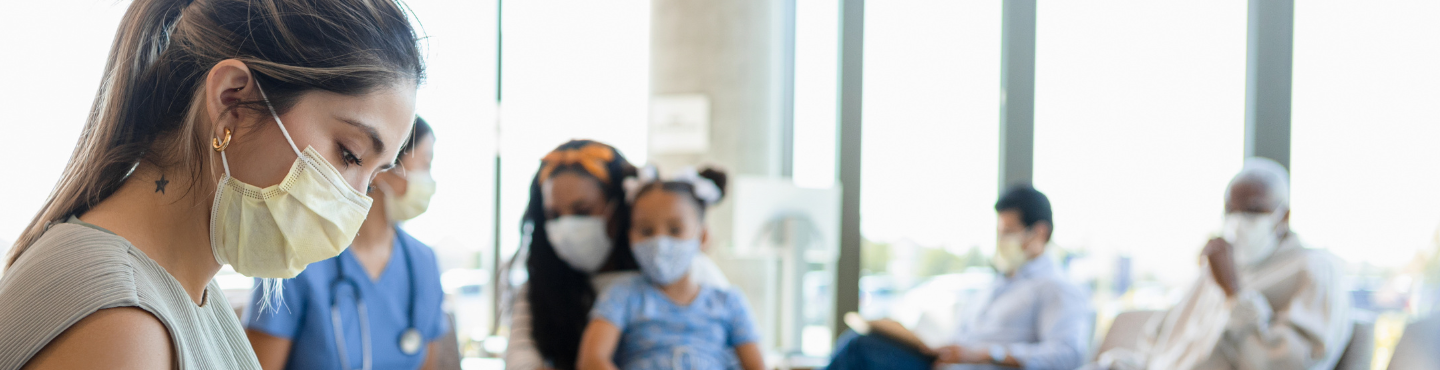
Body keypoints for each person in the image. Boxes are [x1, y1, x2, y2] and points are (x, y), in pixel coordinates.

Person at [0, 0, 423, 368]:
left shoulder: (191, 290)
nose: (353, 200)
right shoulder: (123, 322)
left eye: (373, 177)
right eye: (349, 154)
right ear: (232, 100)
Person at [1088, 157, 1352, 370]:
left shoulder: (1314, 269)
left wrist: (1234, 294)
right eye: (1231, 211)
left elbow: (1292, 364)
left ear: (1283, 217)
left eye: (1253, 210)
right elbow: (1161, 355)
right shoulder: (1218, 268)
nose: (1238, 221)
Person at [244, 117, 449, 370]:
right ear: (383, 168)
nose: (429, 181)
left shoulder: (423, 262)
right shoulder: (295, 254)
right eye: (426, 164)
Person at [505, 141, 729, 370]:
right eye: (554, 215)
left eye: (582, 211)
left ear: (619, 210)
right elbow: (525, 360)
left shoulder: (691, 276)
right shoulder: (548, 291)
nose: (567, 226)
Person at [825, 184, 1092, 370]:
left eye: (1009, 232)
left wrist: (987, 354)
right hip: (949, 365)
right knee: (865, 340)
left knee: (859, 348)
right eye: (1000, 232)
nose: (1001, 241)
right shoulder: (1001, 282)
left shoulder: (1056, 287)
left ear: (1040, 232)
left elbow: (1068, 355)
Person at [577, 167, 764, 370]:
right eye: (646, 231)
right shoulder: (622, 295)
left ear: (703, 236)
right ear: (631, 237)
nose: (660, 241)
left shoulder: (730, 303)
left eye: (675, 230)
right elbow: (592, 361)